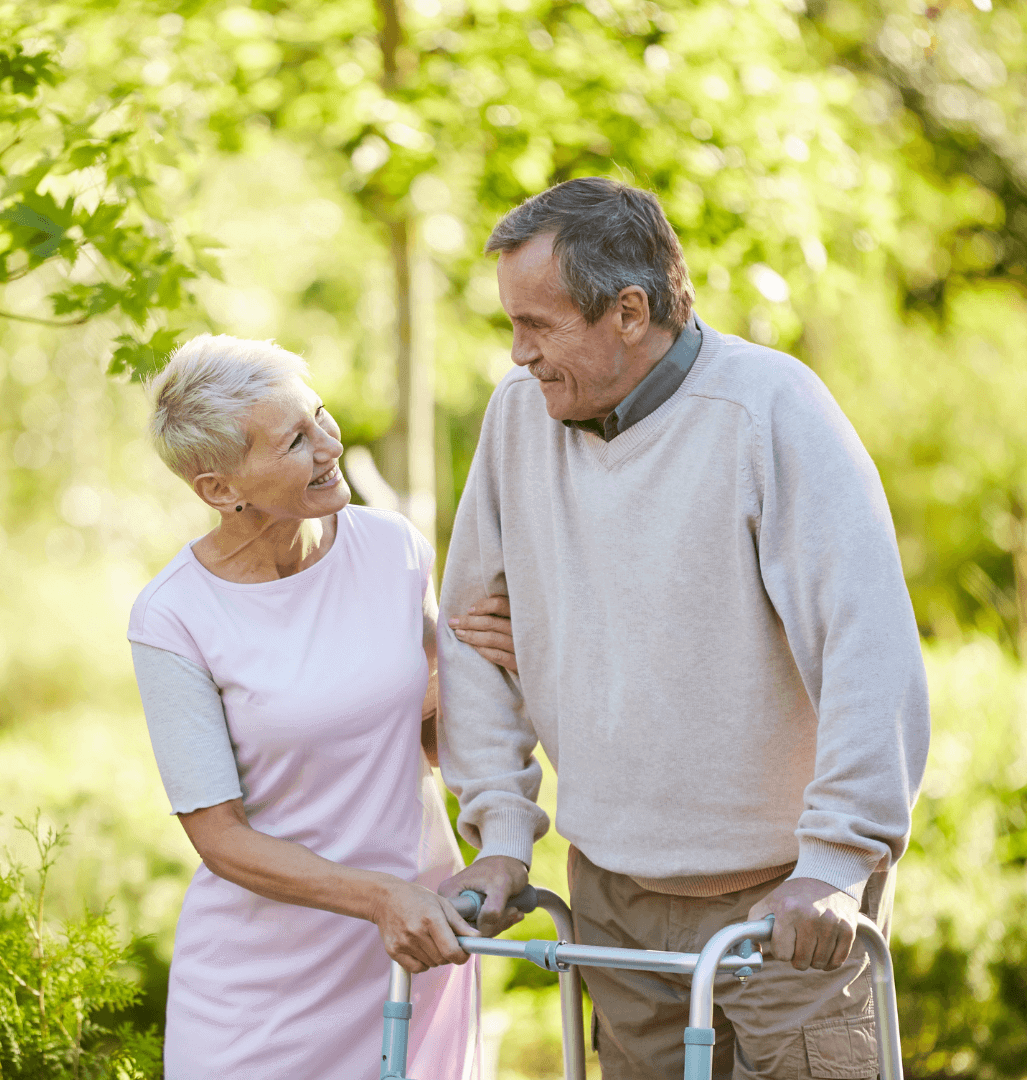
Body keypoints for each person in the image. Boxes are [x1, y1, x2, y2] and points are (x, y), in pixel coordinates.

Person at [436, 177, 931, 1080]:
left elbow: (868, 649)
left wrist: (835, 863)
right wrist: (501, 836)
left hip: (784, 909)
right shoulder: (518, 420)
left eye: (538, 326)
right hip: (614, 902)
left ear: (629, 310)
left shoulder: (769, 411)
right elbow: (471, 633)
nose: (518, 355)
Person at [126, 335, 516, 1079]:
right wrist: (379, 898)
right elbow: (220, 839)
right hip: (265, 990)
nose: (330, 444)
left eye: (321, 416)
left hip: (414, 949)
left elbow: (433, 738)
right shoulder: (174, 617)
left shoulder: (392, 549)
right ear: (219, 488)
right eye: (296, 440)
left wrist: (512, 662)